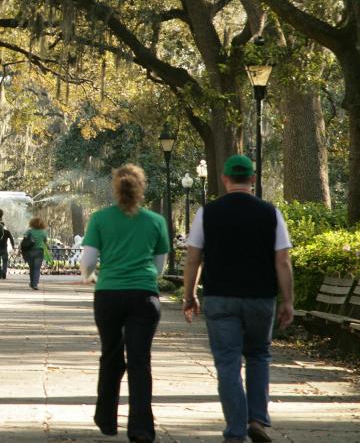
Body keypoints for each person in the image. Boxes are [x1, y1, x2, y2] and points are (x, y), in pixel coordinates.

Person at [182, 155, 294, 443]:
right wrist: (288, 300)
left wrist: (189, 295)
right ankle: (256, 419)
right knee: (259, 355)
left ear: (224, 179)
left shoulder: (207, 213)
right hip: (260, 297)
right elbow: (282, 261)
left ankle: (235, 430)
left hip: (220, 298)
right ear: (253, 180)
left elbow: (193, 258)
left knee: (228, 363)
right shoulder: (271, 213)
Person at [80, 164, 168, 443]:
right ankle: (141, 428)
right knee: (140, 361)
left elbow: (89, 261)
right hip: (144, 295)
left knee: (111, 355)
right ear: (142, 188)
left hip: (109, 294)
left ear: (115, 188)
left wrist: (90, 277)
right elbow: (159, 266)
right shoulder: (156, 221)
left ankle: (106, 418)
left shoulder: (100, 219)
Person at [23, 217, 50, 290]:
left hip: (30, 251)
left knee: (31, 268)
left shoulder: (29, 231)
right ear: (42, 224)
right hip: (39, 251)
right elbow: (45, 242)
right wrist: (48, 247)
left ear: (32, 223)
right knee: (37, 268)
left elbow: (24, 240)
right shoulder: (43, 232)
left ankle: (32, 283)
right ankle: (35, 284)